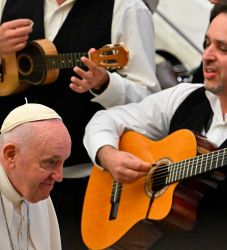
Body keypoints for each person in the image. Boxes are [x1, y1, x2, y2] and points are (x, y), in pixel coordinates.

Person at [84, 1, 227, 249]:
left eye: (223, 48)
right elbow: (106, 119)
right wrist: (107, 154)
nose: (207, 55)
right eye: (207, 44)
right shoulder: (185, 96)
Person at [0, 0, 160, 248]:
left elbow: (149, 102)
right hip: (6, 177)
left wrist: (106, 84)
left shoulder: (126, 7)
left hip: (78, 184)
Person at [0, 103, 71, 250]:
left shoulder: (36, 190)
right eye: (51, 162)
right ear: (11, 155)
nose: (59, 177)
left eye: (63, 162)